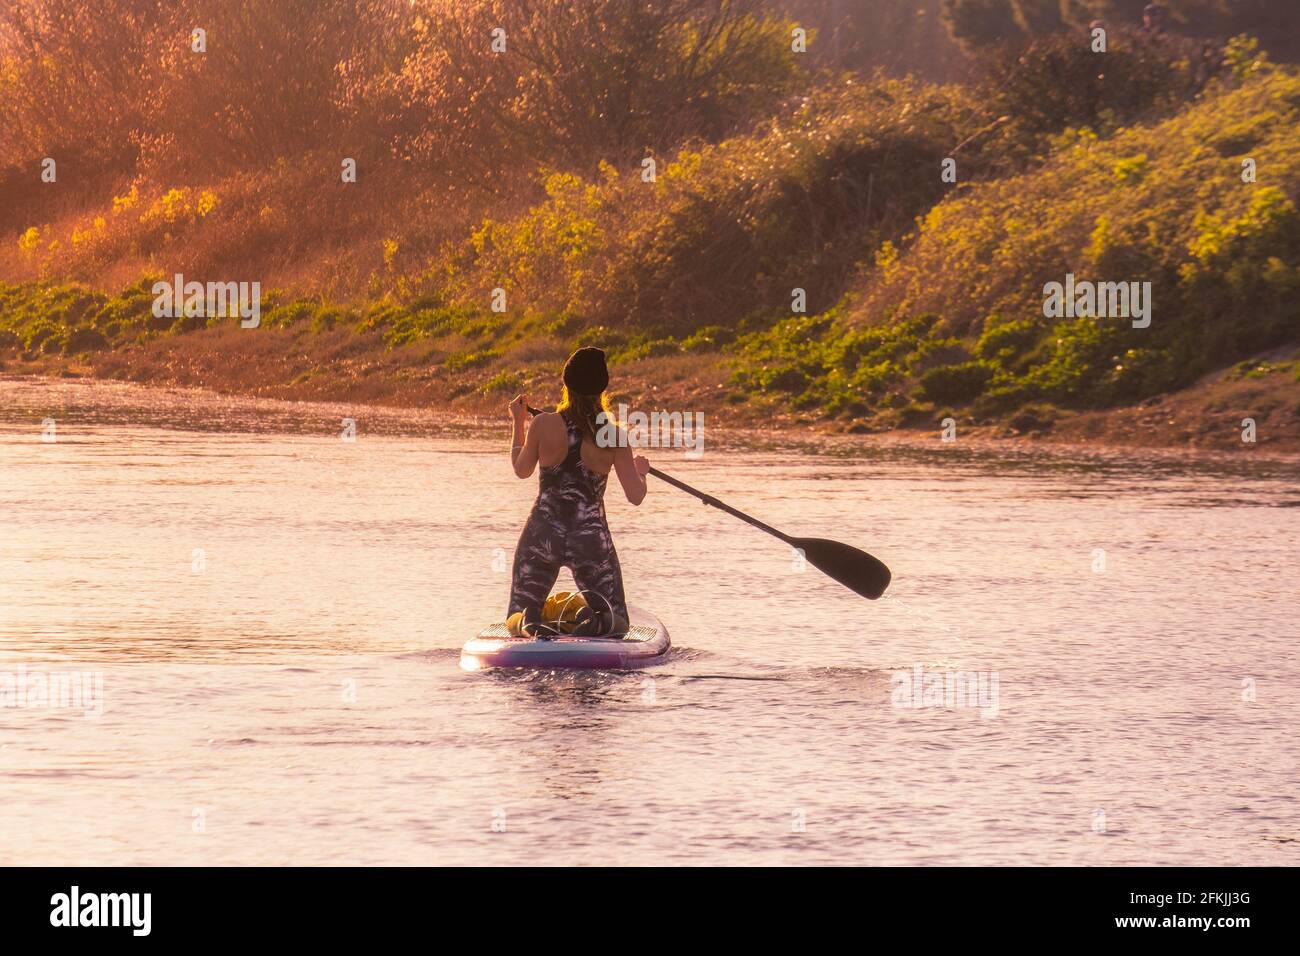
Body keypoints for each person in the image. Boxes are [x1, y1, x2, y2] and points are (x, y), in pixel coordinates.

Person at [506, 346, 648, 638]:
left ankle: (529, 619)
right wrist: (641, 472)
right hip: (589, 538)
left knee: (516, 614)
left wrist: (518, 422)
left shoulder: (543, 423)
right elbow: (635, 495)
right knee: (617, 623)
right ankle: (591, 620)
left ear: (566, 384)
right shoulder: (613, 436)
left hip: (543, 532)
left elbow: (521, 469)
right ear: (602, 388)